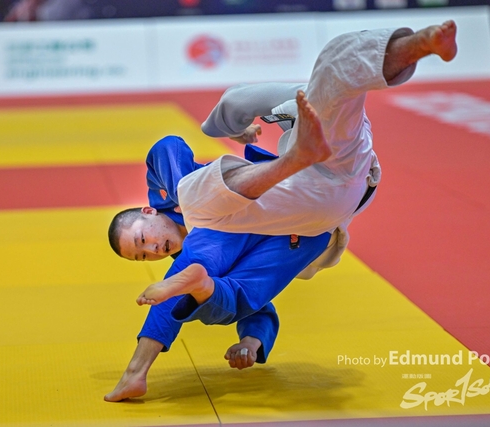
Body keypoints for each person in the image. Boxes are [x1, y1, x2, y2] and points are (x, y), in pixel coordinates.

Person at [105, 21, 458, 402]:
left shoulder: (175, 196)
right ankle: (197, 296)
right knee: (218, 286)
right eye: (143, 256)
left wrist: (179, 194)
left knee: (335, 62)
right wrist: (252, 340)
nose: (153, 250)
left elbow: (167, 146)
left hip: (340, 169)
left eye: (143, 239)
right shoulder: (197, 251)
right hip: (311, 221)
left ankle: (423, 43)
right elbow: (256, 300)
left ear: (148, 211)